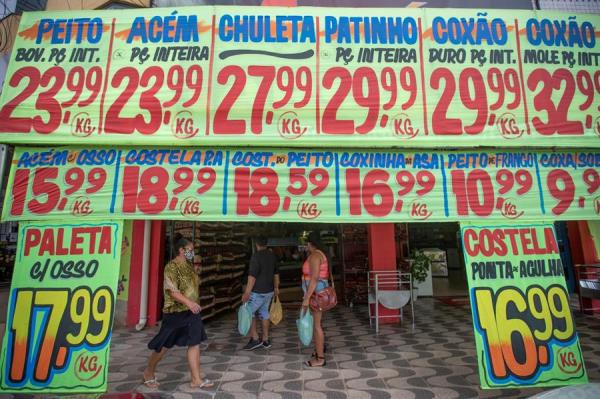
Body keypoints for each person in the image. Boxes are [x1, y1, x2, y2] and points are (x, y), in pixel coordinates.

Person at [142, 235, 213, 389]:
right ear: (181, 250)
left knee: (195, 343)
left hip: (191, 312)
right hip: (175, 312)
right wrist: (189, 302)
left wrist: (193, 303)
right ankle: (149, 371)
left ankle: (196, 379)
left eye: (193, 251)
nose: (192, 253)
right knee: (164, 345)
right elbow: (172, 291)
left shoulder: (188, 266)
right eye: (190, 250)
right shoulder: (171, 267)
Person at [242, 236, 280, 350]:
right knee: (264, 313)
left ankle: (254, 339)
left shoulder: (256, 256)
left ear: (256, 244)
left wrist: (247, 292)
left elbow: (252, 277)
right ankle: (265, 340)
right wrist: (276, 287)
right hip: (269, 291)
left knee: (249, 312)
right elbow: (276, 274)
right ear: (266, 243)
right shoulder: (272, 255)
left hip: (257, 291)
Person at [301, 231, 330, 367]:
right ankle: (318, 350)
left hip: (316, 293)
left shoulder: (315, 256)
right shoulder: (320, 254)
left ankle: (320, 358)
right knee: (317, 324)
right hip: (318, 291)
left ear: (309, 243)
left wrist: (307, 298)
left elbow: (314, 278)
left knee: (317, 325)